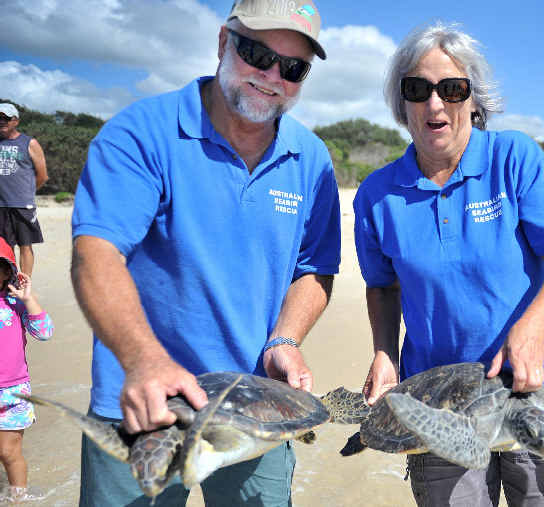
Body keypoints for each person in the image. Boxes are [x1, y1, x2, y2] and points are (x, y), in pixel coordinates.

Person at [69, 1, 341, 504]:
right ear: (222, 43)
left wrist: (285, 337)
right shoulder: (142, 133)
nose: (271, 75)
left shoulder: (312, 158)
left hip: (257, 404)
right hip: (145, 402)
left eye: (293, 67)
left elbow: (315, 268)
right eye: (257, 52)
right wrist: (145, 360)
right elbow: (97, 253)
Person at [352, 22, 544, 506]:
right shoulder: (377, 193)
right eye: (417, 89)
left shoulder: (513, 157)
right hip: (440, 410)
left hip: (535, 397)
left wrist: (531, 328)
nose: (435, 104)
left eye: (452, 89)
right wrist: (384, 353)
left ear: (474, 99)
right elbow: (383, 287)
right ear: (402, 104)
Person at [0, 238, 52, 502]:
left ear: (8, 273)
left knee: (9, 452)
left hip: (12, 393)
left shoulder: (16, 305)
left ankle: (17, 497)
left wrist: (29, 299)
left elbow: (44, 333)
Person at [0, 103, 48, 277]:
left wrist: (26, 193)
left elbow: (42, 175)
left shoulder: (29, 143)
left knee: (25, 245)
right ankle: (8, 284)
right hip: (1, 206)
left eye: (5, 118)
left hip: (22, 205)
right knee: (4, 247)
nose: (1, 121)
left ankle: (24, 283)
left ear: (16, 121)